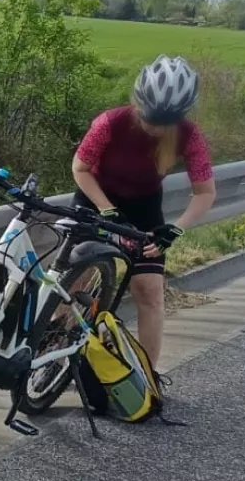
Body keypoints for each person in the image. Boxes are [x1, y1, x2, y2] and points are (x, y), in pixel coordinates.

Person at [70, 55, 216, 369]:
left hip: (143, 207)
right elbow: (80, 168)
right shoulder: (110, 121)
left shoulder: (190, 136)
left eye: (165, 123)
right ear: (139, 101)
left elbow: (205, 193)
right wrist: (107, 211)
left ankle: (146, 376)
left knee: (149, 291)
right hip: (95, 196)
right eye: (151, 117)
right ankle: (53, 342)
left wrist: (176, 229)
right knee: (76, 276)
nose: (154, 128)